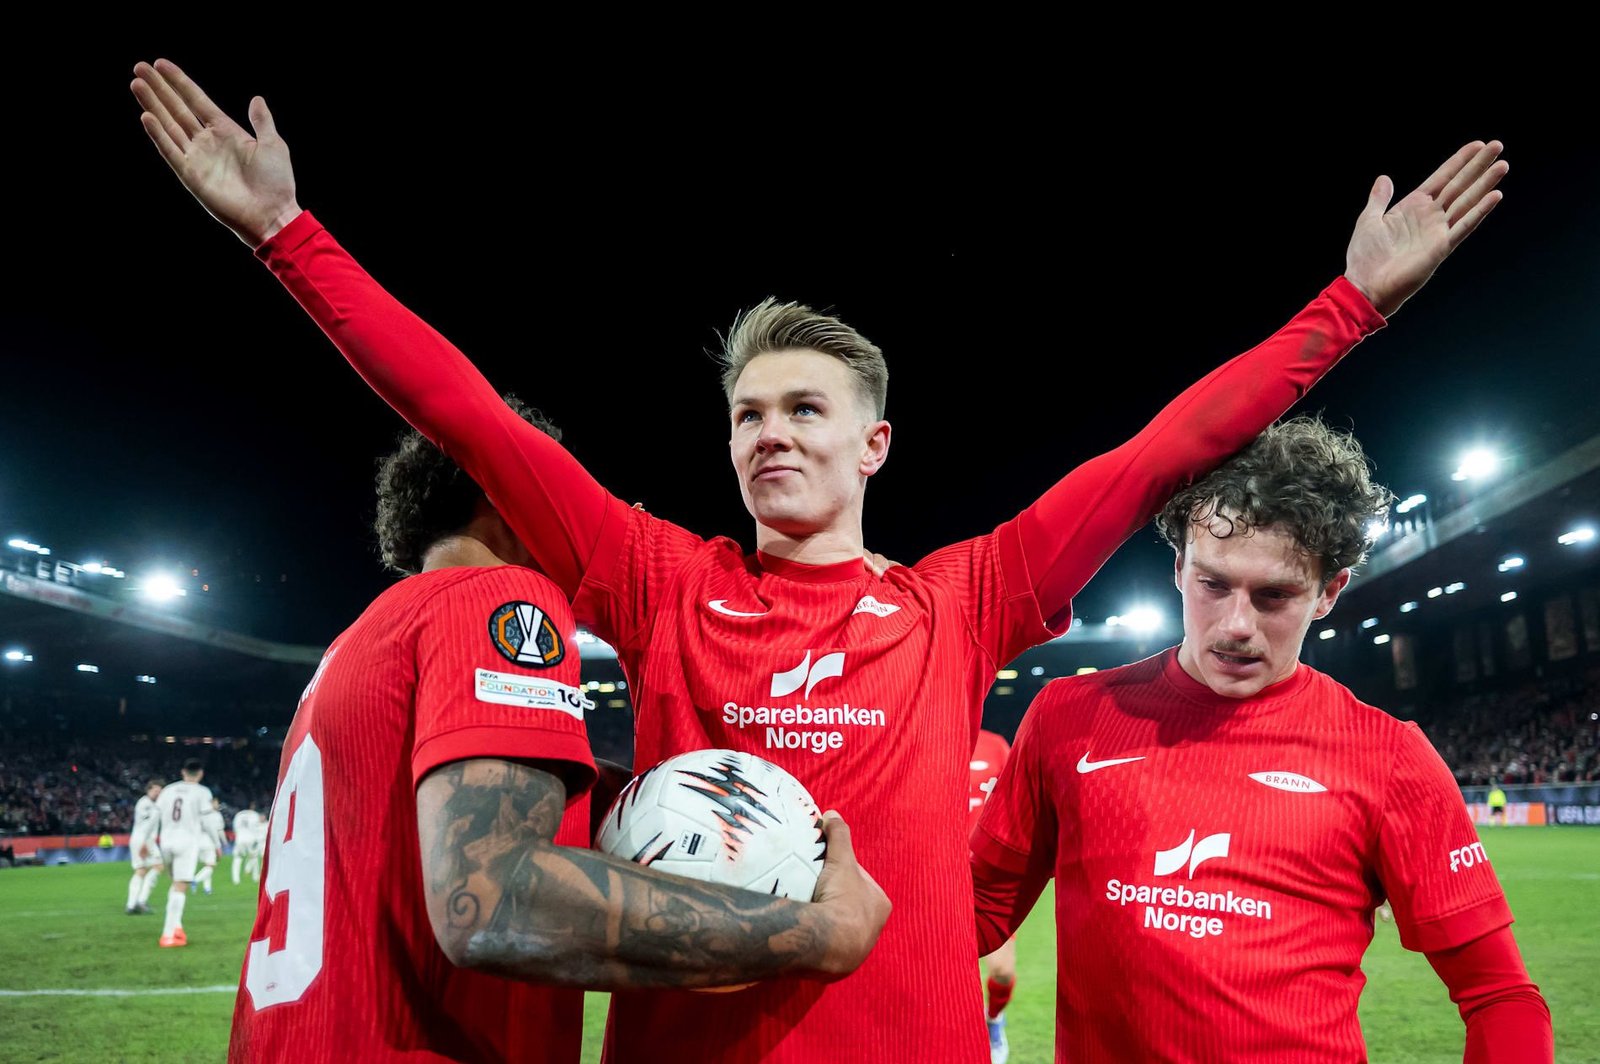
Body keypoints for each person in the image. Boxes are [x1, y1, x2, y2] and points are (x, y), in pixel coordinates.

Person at [131, 56, 1507, 1062]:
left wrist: (1351, 306)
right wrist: (286, 236)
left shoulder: (963, 598)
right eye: (747, 415)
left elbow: (1163, 451)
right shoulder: (658, 579)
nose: (771, 434)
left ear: (874, 443)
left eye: (804, 410)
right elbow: (469, 415)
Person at [222, 401, 888, 1063]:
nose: (580, 519)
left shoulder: (361, 640)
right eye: (557, 490)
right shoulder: (500, 599)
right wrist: (820, 932)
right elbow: (489, 901)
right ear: (509, 489)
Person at [971, 417, 1554, 1062]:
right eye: (1213, 584)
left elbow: (1500, 994)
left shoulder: (1388, 757)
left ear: (1329, 592)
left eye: (1274, 596)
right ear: (1179, 568)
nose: (1237, 625)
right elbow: (976, 912)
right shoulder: (1069, 716)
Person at [969, 728, 1017, 1064]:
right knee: (950, 974)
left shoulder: (995, 745)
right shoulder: (935, 739)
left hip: (988, 876)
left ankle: (994, 1018)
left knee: (1002, 971)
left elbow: (1015, 801)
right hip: (943, 874)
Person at [154, 759, 214, 947]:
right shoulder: (202, 792)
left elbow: (156, 815)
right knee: (181, 887)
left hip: (166, 842)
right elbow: (208, 821)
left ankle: (177, 926)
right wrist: (216, 843)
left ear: (183, 772)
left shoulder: (168, 790)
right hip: (187, 842)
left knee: (175, 884)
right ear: (200, 773)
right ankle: (168, 934)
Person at [125, 780, 163, 915]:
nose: (157, 793)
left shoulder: (153, 804)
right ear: (148, 790)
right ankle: (139, 902)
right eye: (155, 791)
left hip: (143, 839)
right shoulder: (145, 804)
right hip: (143, 840)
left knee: (144, 869)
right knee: (153, 867)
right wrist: (146, 844)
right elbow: (146, 825)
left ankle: (133, 904)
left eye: (159, 791)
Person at [195, 797, 226, 895]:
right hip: (209, 842)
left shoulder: (198, 814)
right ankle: (195, 880)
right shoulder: (214, 815)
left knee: (207, 865)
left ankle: (207, 888)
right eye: (215, 803)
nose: (217, 805)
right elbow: (217, 831)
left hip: (198, 843)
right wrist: (221, 844)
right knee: (211, 865)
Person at [231, 802, 266, 885]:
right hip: (251, 839)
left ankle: (236, 879)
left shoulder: (238, 815)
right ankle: (255, 877)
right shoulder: (255, 815)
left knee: (237, 858)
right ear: (251, 806)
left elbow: (235, 828)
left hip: (240, 839)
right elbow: (257, 828)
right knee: (254, 857)